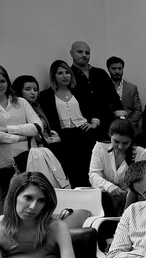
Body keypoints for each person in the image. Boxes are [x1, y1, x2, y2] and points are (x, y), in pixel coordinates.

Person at [0, 65, 42, 194]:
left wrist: (7, 129)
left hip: (29, 161)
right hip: (1, 166)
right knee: (9, 203)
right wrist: (19, 138)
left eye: (2, 81)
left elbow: (37, 127)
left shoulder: (21, 102)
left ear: (8, 82)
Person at [38, 59, 103, 187]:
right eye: (60, 73)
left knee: (89, 170)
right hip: (63, 136)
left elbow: (95, 107)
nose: (65, 76)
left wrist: (94, 123)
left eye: (67, 72)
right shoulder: (46, 96)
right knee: (71, 172)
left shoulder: (80, 91)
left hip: (83, 133)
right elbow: (46, 118)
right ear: (53, 76)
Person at [89, 118, 146, 215]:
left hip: (130, 201)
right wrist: (108, 186)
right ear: (110, 135)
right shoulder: (100, 148)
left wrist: (129, 194)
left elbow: (144, 180)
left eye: (125, 143)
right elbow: (94, 174)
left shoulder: (140, 153)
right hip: (104, 198)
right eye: (116, 142)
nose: (120, 146)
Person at [68, 41, 123, 139]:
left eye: (87, 53)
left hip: (107, 125)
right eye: (80, 52)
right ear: (71, 53)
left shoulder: (100, 73)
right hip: (83, 127)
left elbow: (114, 98)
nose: (84, 55)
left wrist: (121, 119)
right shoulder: (68, 76)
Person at [14, 75, 61, 148]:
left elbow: (48, 127)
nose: (33, 92)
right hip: (34, 148)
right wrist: (44, 141)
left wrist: (54, 135)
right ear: (19, 91)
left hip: (49, 144)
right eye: (28, 89)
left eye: (35, 90)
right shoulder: (17, 110)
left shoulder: (37, 106)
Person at [106, 55, 143, 133]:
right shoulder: (102, 88)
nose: (117, 71)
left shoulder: (132, 88)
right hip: (109, 129)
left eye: (120, 68)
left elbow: (138, 110)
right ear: (108, 69)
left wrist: (127, 125)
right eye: (114, 68)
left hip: (131, 129)